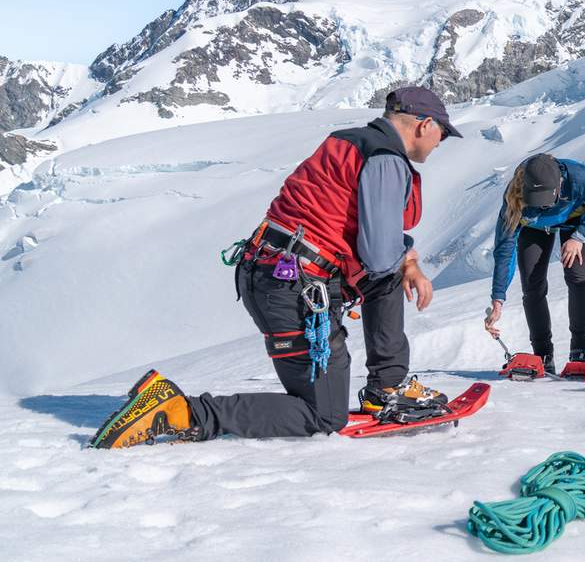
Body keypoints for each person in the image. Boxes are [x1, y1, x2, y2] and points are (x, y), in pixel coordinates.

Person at [89, 87, 460, 449]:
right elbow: (380, 256)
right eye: (441, 132)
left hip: (270, 273)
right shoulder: (385, 157)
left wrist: (405, 257)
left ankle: (386, 389)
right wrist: (408, 260)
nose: (441, 141)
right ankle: (183, 413)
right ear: (424, 124)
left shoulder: (348, 141)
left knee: (387, 279)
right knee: (324, 416)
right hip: (296, 289)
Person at [483, 154, 585, 374]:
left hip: (575, 219)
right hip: (535, 228)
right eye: (536, 200)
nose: (542, 205)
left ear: (560, 185)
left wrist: (579, 237)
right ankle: (543, 354)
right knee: (532, 286)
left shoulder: (579, 178)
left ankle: (580, 351)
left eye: (546, 199)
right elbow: (504, 250)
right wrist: (498, 298)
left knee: (576, 276)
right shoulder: (514, 198)